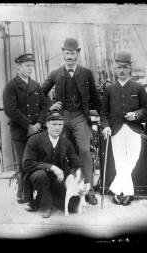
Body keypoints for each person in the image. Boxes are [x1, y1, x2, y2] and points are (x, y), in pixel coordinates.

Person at [41, 38, 101, 205]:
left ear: (77, 54)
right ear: (63, 54)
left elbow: (96, 97)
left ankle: (89, 190)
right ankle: (62, 189)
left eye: (72, 53)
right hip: (62, 118)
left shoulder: (86, 73)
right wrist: (51, 105)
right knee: (61, 152)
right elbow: (40, 93)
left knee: (84, 151)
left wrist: (104, 116)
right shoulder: (55, 74)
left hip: (81, 117)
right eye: (67, 53)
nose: (69, 56)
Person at [100, 51, 147, 206]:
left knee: (132, 159)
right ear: (115, 69)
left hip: (134, 129)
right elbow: (103, 113)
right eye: (119, 67)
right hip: (115, 130)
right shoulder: (109, 89)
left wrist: (136, 115)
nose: (121, 71)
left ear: (130, 69)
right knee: (120, 161)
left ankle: (115, 189)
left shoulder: (138, 87)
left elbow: (146, 109)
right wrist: (106, 126)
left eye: (125, 67)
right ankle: (126, 193)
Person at [3, 53, 51, 204]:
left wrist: (39, 124)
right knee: (23, 164)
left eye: (31, 65)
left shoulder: (36, 85)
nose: (30, 68)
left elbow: (45, 106)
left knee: (38, 161)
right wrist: (28, 125)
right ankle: (23, 194)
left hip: (36, 130)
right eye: (26, 65)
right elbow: (10, 110)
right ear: (18, 66)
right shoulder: (11, 86)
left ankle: (37, 193)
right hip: (20, 131)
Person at [22, 111, 82, 218]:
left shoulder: (66, 143)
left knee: (74, 207)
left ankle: (46, 198)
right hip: (40, 177)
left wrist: (72, 176)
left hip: (59, 180)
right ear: (46, 124)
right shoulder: (35, 140)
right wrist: (51, 167)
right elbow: (27, 164)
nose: (57, 128)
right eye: (54, 124)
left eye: (60, 124)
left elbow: (76, 164)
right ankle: (45, 205)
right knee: (40, 175)